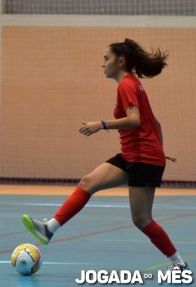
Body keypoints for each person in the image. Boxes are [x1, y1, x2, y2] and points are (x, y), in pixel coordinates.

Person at [22, 38, 188, 271]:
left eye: (106, 58)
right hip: (133, 155)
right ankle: (49, 228)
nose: (103, 64)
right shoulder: (131, 84)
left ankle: (178, 263)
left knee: (141, 219)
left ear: (120, 61)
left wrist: (101, 124)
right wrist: (159, 148)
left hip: (142, 158)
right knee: (88, 182)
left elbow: (135, 120)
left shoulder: (126, 85)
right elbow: (155, 122)